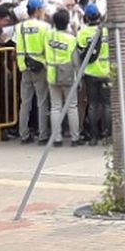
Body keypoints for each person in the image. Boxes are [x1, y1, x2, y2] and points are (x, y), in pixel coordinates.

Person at [16, 0, 50, 144]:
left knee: (25, 102)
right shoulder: (44, 27)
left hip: (24, 66)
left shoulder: (20, 27)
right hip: (40, 66)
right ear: (37, 10)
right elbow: (47, 48)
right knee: (42, 102)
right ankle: (43, 135)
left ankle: (23, 134)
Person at [44, 9, 81, 147]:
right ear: (67, 22)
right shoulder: (71, 39)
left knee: (55, 107)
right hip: (68, 74)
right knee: (72, 106)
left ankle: (57, 138)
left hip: (52, 73)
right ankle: (75, 138)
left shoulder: (48, 36)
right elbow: (76, 61)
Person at [76, 5, 110, 144]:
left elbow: (79, 53)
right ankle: (107, 134)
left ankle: (94, 136)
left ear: (86, 17)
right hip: (107, 71)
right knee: (107, 104)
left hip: (90, 73)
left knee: (92, 104)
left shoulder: (82, 33)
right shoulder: (108, 31)